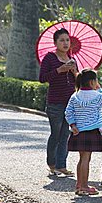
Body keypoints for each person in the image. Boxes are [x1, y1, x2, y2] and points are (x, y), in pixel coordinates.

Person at [65, 68, 102, 195]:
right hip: (91, 131)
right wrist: (100, 89)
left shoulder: (75, 96)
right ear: (91, 82)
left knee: (81, 159)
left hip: (78, 131)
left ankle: (79, 185)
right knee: (86, 159)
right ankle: (84, 186)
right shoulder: (97, 96)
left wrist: (73, 124)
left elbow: (68, 112)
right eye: (96, 80)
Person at [39, 28, 77, 176]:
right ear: (55, 42)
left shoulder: (72, 59)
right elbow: (42, 78)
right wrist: (59, 70)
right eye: (62, 40)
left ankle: (62, 165)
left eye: (67, 40)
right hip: (55, 103)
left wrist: (74, 72)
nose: (65, 43)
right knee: (56, 133)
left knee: (65, 135)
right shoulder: (49, 58)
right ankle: (52, 164)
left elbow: (78, 81)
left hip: (70, 103)